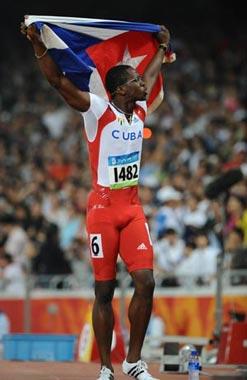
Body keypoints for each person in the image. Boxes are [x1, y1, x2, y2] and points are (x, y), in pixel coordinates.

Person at [21, 20, 170, 380]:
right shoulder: (98, 111)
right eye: (135, 81)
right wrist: (38, 44)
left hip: (132, 209)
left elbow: (149, 77)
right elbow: (59, 83)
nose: (142, 84)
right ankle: (106, 367)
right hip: (102, 210)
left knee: (146, 282)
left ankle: (133, 361)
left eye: (140, 81)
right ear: (119, 89)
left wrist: (162, 49)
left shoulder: (139, 111)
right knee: (104, 290)